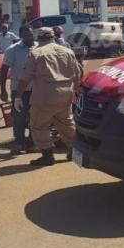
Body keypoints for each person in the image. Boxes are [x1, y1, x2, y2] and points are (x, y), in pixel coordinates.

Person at [15, 27, 82, 166]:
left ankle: (47, 155)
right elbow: (77, 74)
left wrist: (18, 96)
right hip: (66, 92)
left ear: (37, 38)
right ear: (53, 36)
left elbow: (24, 78)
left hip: (45, 93)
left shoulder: (36, 53)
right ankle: (74, 151)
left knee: (39, 124)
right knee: (66, 123)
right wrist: (76, 91)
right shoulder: (68, 51)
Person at [0, 26, 37, 155]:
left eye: (31, 34)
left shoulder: (38, 47)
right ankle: (19, 142)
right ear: (21, 36)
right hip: (19, 91)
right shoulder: (12, 50)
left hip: (36, 90)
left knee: (35, 117)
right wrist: (3, 90)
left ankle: (32, 143)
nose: (30, 37)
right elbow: (4, 70)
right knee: (19, 117)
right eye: (27, 35)